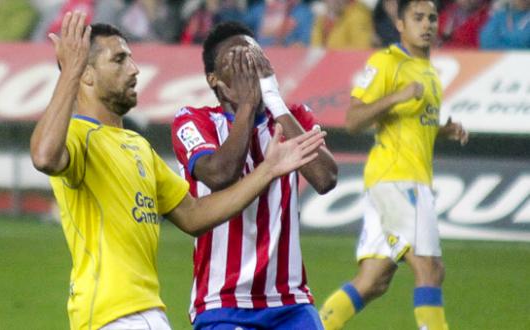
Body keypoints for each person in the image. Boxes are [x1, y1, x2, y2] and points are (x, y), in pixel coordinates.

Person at [29, 11, 327, 330]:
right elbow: (45, 156)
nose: (134, 69)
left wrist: (267, 171)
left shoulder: (137, 146)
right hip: (109, 315)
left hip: (149, 312)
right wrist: (68, 74)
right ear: (86, 75)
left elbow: (194, 215)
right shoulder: (77, 136)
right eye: (119, 60)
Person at [171, 21, 338, 329]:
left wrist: (273, 100)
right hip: (222, 302)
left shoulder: (291, 118)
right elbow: (220, 174)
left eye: (255, 56)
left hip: (290, 302)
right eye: (236, 60)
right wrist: (248, 104)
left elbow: (326, 179)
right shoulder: (194, 121)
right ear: (215, 79)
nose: (249, 66)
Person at [318, 1, 469, 329]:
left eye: (431, 18)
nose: (426, 24)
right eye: (417, 18)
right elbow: (354, 119)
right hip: (397, 180)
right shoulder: (387, 63)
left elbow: (412, 126)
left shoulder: (429, 73)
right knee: (430, 268)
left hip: (404, 180)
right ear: (400, 24)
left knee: (374, 280)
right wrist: (395, 98)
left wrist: (443, 131)